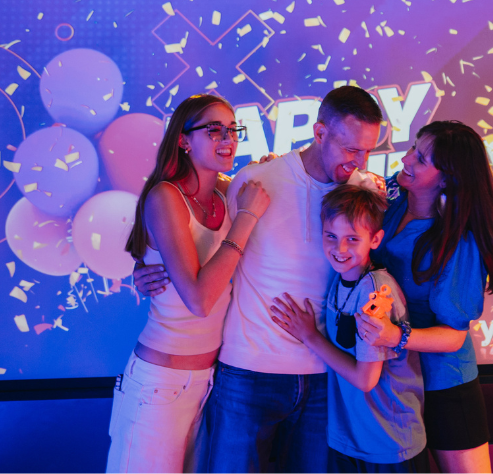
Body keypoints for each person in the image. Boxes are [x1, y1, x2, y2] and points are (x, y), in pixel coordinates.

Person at [134, 85, 385, 472]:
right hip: (246, 374)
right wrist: (146, 266)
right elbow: (196, 236)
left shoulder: (362, 193)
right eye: (351, 148)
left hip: (323, 375)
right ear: (320, 133)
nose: (359, 161)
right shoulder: (255, 181)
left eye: (367, 150)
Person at [106, 94, 271, 473]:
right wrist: (245, 220)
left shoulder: (226, 193)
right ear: (183, 140)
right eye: (214, 130)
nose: (228, 139)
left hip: (209, 381)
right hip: (159, 384)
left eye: (233, 130)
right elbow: (199, 300)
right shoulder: (166, 196)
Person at [355, 121, 493, 474]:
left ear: (447, 179)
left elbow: (453, 336)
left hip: (444, 385)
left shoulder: (457, 242)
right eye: (412, 148)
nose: (405, 159)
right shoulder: (391, 199)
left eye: (420, 158)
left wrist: (395, 336)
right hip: (396, 382)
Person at [270, 184, 429, 473]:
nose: (339, 248)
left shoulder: (375, 290)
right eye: (331, 236)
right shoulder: (341, 278)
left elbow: (365, 379)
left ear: (375, 239)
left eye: (352, 239)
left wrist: (309, 336)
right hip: (352, 438)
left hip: (387, 442)